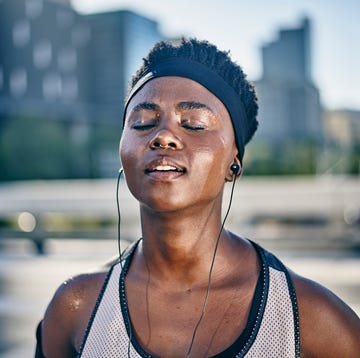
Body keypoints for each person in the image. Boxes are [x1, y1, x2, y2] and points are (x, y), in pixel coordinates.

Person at [35, 38, 360, 358]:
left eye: (194, 124)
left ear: (235, 161)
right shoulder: (76, 308)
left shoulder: (309, 319)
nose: (162, 136)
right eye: (142, 122)